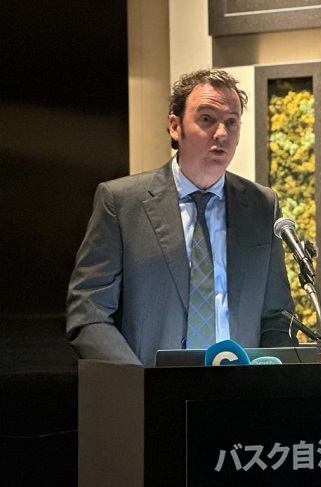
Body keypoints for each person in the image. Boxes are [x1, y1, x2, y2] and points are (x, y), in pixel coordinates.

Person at [66, 68, 298, 366]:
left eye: (232, 122)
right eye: (207, 119)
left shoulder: (261, 206)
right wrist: (139, 380)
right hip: (151, 386)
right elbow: (89, 311)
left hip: (239, 387)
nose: (222, 133)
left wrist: (268, 378)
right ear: (175, 127)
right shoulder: (122, 203)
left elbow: (278, 316)